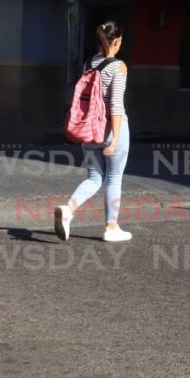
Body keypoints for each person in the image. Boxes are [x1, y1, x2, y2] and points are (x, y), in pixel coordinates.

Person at [55, 22, 132, 243]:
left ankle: (68, 209)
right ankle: (111, 227)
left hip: (89, 128)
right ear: (117, 41)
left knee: (94, 176)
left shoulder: (89, 63)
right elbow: (116, 105)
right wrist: (115, 138)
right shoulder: (118, 66)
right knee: (114, 177)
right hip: (110, 129)